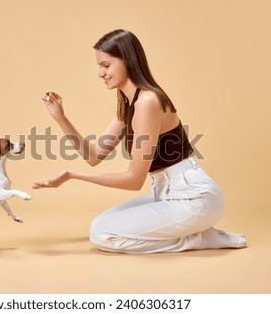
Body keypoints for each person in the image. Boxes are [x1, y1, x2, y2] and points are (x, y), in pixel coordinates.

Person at [32, 29, 246, 253]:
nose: (100, 73)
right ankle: (195, 234)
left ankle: (199, 239)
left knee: (101, 233)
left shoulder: (147, 102)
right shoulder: (129, 104)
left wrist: (73, 175)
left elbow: (134, 180)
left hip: (194, 198)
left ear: (127, 60)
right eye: (99, 66)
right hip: (165, 192)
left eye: (105, 65)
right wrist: (60, 117)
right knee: (101, 225)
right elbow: (93, 156)